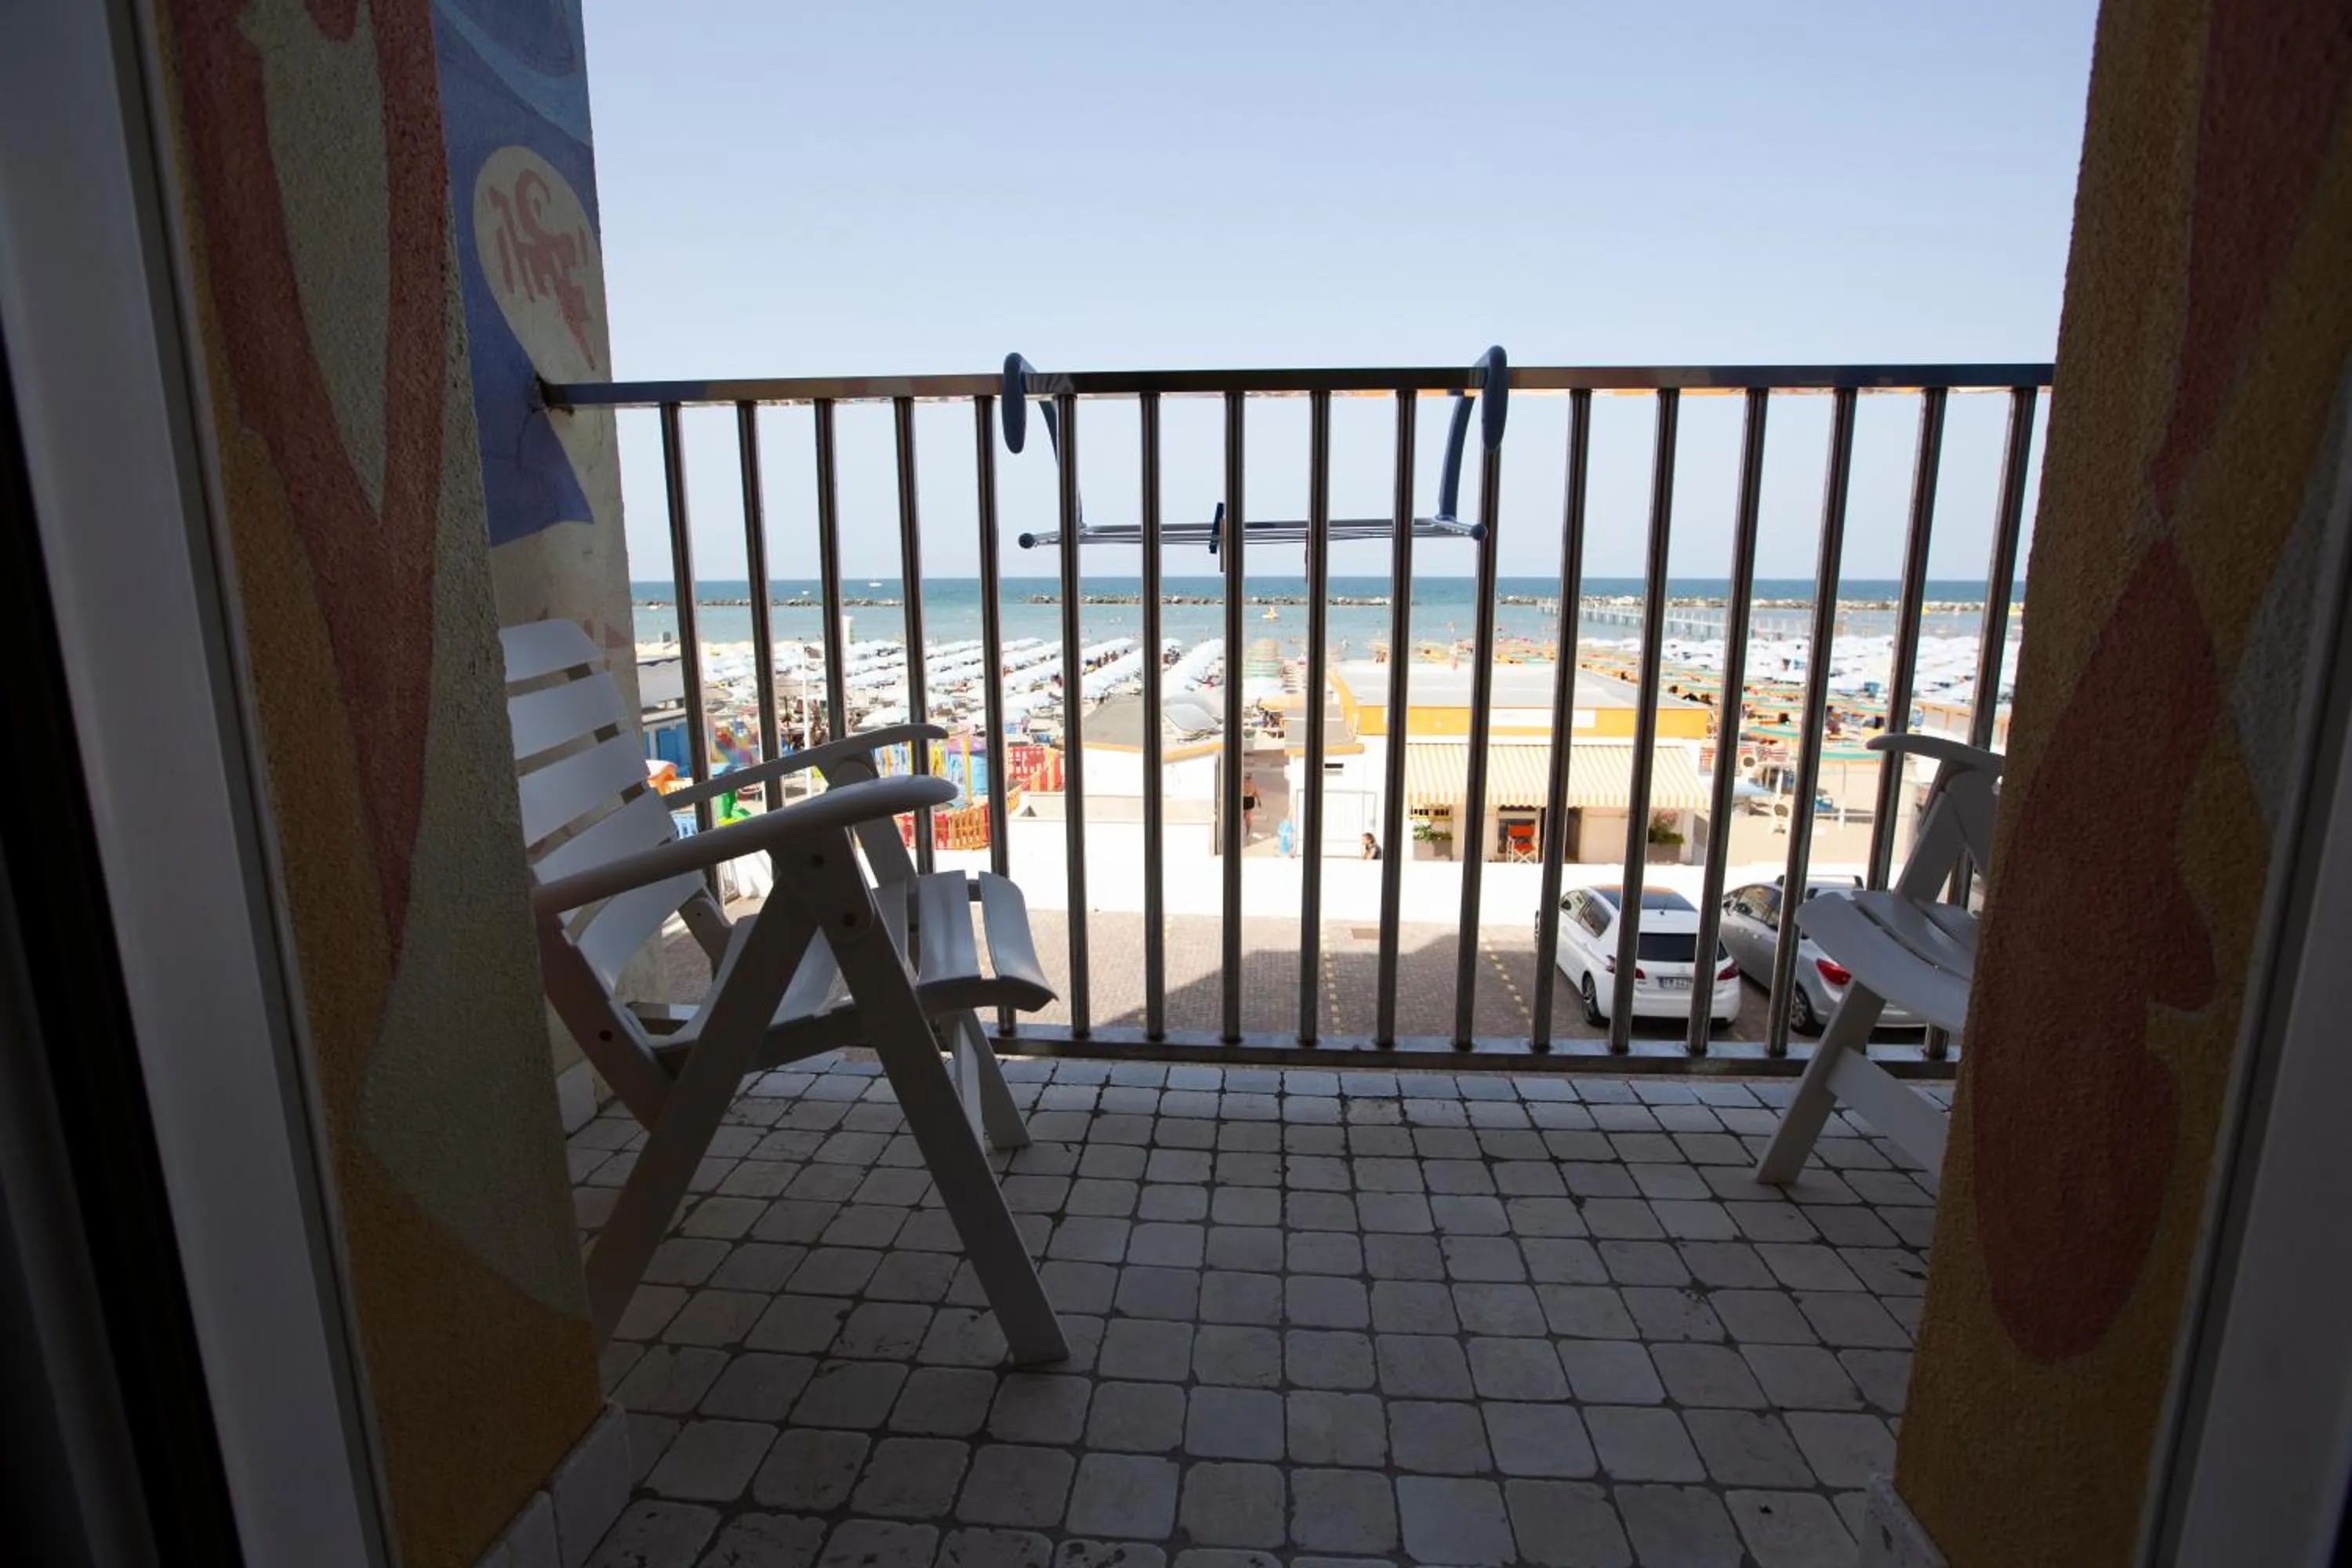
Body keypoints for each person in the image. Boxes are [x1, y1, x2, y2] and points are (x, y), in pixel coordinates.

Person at [1241, 773, 1260, 840]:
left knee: (1247, 816)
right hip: (1248, 799)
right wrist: (1258, 800)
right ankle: (1248, 828)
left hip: (1247, 800)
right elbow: (1256, 793)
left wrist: (1259, 800)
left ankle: (1247, 829)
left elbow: (1256, 793)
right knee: (1246, 815)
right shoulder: (1250, 784)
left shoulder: (1244, 783)